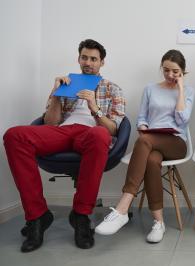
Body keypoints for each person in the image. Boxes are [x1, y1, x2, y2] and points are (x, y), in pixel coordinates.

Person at [3, 39, 126, 252]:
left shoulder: (113, 88)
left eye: (93, 59)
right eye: (84, 57)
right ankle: (38, 215)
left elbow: (113, 130)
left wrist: (94, 107)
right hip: (62, 131)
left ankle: (80, 215)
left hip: (91, 133)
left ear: (102, 62)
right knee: (14, 135)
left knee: (99, 135)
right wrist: (56, 94)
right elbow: (50, 122)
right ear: (78, 59)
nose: (88, 62)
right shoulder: (67, 83)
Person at [95, 50, 194, 243]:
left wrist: (181, 89)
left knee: (144, 141)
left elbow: (183, 120)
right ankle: (159, 223)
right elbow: (142, 117)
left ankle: (123, 207)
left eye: (175, 71)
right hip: (151, 142)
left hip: (175, 142)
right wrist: (142, 126)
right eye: (166, 70)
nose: (170, 75)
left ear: (183, 72)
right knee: (151, 159)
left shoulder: (189, 91)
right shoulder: (150, 89)